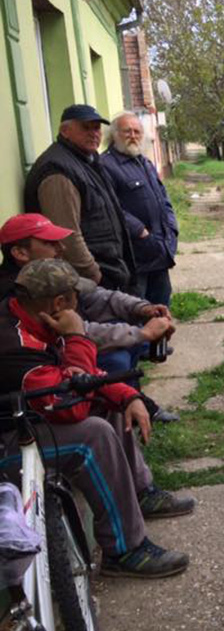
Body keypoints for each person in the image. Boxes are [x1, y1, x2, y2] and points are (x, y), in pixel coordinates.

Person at [0, 259, 192, 578]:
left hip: (27, 420)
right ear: (60, 302)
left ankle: (140, 492)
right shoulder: (14, 346)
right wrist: (78, 337)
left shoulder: (34, 316)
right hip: (8, 445)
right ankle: (124, 550)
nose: (80, 306)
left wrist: (127, 395)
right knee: (93, 435)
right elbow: (69, 403)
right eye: (76, 298)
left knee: (111, 401)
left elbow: (77, 379)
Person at [0, 213, 180, 423]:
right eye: (50, 243)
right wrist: (141, 333)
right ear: (20, 252)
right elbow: (74, 332)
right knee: (115, 363)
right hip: (43, 399)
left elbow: (96, 295)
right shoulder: (16, 293)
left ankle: (138, 404)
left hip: (66, 362)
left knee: (122, 359)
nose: (61, 248)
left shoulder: (51, 273)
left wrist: (142, 308)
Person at [23, 104, 136, 291]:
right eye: (85, 127)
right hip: (90, 279)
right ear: (65, 131)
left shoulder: (87, 160)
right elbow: (66, 234)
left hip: (108, 270)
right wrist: (93, 273)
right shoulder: (58, 170)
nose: (94, 133)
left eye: (97, 127)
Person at [101, 113, 178, 306]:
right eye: (127, 131)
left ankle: (160, 337)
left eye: (137, 131)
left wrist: (172, 227)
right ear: (114, 134)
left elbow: (163, 199)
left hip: (159, 250)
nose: (133, 136)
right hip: (135, 256)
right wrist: (140, 232)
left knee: (161, 305)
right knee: (138, 309)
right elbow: (110, 207)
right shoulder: (105, 166)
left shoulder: (145, 163)